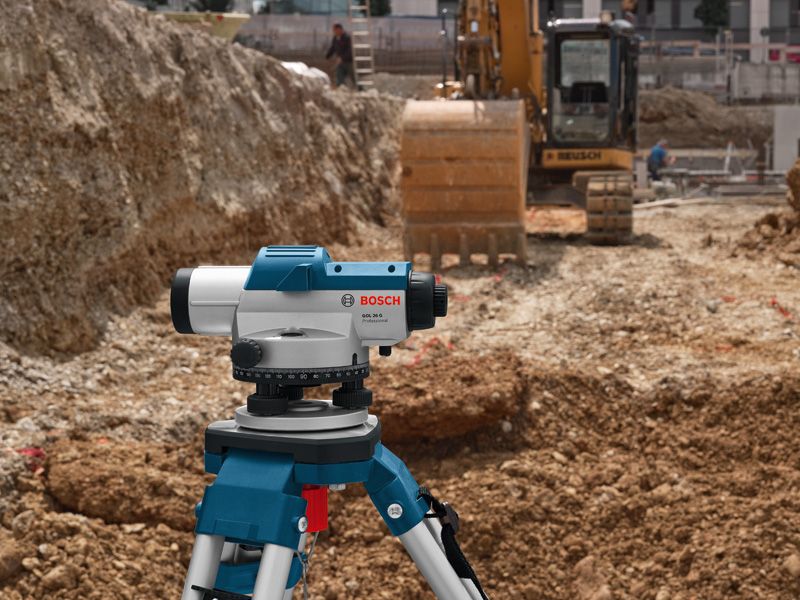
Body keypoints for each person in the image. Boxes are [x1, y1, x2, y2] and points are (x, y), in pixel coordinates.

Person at [325, 23, 355, 89]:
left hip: (348, 62)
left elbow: (350, 51)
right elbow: (333, 48)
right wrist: (327, 56)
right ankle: (341, 90)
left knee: (354, 77)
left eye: (335, 30)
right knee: (339, 78)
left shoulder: (347, 37)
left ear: (339, 29)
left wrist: (342, 58)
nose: (334, 32)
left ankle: (361, 90)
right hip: (340, 63)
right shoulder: (335, 38)